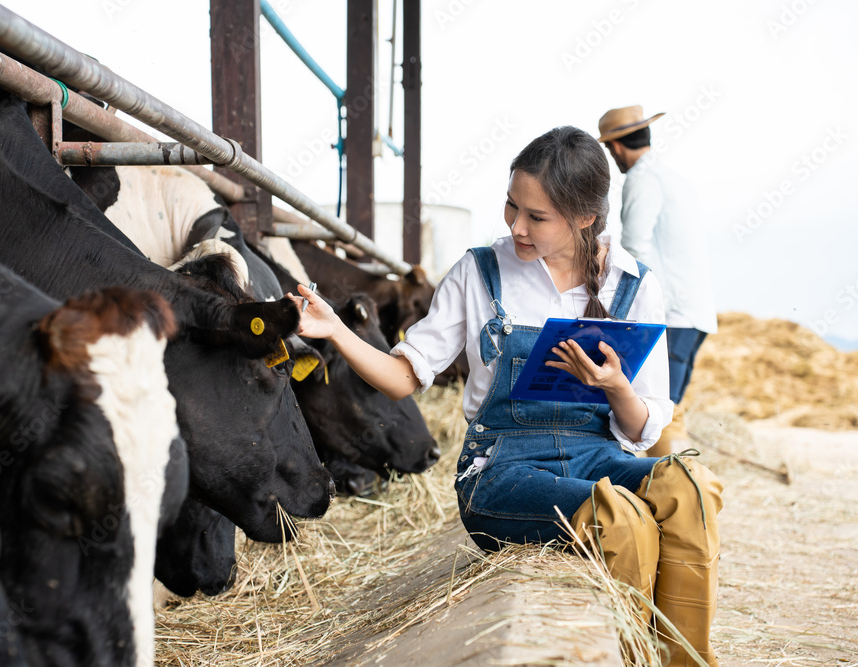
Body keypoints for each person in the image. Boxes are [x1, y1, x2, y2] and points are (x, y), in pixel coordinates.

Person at [289, 127, 722, 666]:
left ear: (585, 218)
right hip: (501, 469)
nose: (516, 226)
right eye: (511, 206)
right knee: (621, 517)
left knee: (690, 487)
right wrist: (336, 332)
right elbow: (404, 376)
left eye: (536, 217)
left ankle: (686, 661)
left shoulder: (634, 285)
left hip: (597, 456)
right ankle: (633, 658)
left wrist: (616, 389)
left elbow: (644, 430)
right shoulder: (480, 270)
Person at [598, 106, 718, 458]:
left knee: (661, 414)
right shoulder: (674, 179)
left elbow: (634, 251)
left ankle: (677, 498)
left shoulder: (641, 179)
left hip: (671, 313)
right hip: (696, 313)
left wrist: (613, 313)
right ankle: (677, 494)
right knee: (671, 409)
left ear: (616, 148)